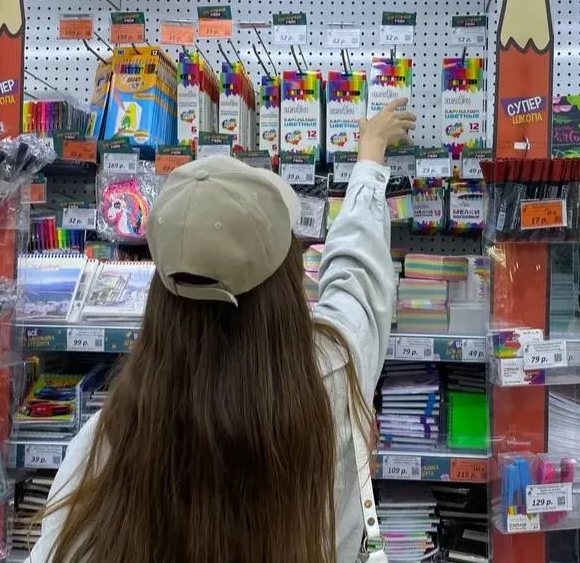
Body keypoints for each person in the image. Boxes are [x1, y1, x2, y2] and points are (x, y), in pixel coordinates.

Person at [27, 99, 416, 563]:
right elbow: (358, 276)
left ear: (161, 298)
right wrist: (369, 155)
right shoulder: (331, 376)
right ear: (286, 284)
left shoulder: (111, 440)